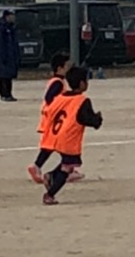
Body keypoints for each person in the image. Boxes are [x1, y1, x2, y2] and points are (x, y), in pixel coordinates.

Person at [39, 66, 103, 205]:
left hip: (55, 135)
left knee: (66, 161)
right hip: (68, 138)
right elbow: (86, 119)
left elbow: (50, 111)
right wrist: (97, 119)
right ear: (81, 84)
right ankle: (50, 194)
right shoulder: (82, 100)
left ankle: (51, 176)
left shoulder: (61, 97)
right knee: (68, 167)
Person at [28, 51, 71, 184]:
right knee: (54, 145)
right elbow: (49, 98)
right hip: (54, 120)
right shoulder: (57, 83)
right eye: (66, 66)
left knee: (59, 144)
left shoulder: (58, 82)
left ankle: (68, 168)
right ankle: (37, 166)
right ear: (60, 68)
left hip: (54, 119)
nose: (68, 69)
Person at [0, 8, 20, 102]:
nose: (14, 18)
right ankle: (4, 94)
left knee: (9, 76)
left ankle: (9, 94)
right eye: (12, 16)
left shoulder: (11, 28)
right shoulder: (1, 29)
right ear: (7, 16)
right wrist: (2, 56)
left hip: (11, 56)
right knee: (4, 76)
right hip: (4, 56)